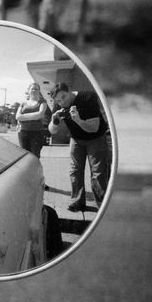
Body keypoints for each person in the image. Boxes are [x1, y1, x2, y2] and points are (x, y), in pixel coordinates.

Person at [48, 82, 110, 211]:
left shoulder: (88, 97)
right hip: (76, 139)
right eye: (58, 100)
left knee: (98, 173)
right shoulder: (58, 104)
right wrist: (54, 121)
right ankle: (77, 201)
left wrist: (78, 120)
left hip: (96, 138)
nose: (62, 103)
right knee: (75, 171)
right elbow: (52, 131)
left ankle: (102, 205)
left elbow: (94, 128)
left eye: (64, 97)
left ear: (70, 90)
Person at [15, 83, 49, 158]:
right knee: (24, 156)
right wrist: (34, 116)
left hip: (36, 133)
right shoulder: (23, 103)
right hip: (23, 132)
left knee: (35, 156)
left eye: (36, 89)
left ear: (39, 91)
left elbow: (40, 115)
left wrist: (23, 117)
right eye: (32, 89)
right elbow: (17, 116)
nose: (34, 90)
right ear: (28, 91)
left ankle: (35, 169)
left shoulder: (42, 102)